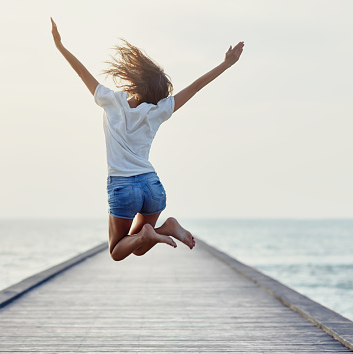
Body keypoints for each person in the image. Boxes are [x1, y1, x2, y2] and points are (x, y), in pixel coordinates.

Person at [50, 17, 244, 261]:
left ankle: (154, 233)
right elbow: (195, 87)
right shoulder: (158, 111)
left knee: (117, 251)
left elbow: (81, 72)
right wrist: (226, 64)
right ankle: (165, 228)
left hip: (123, 186)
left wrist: (60, 47)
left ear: (136, 81)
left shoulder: (111, 100)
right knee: (139, 246)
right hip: (152, 186)